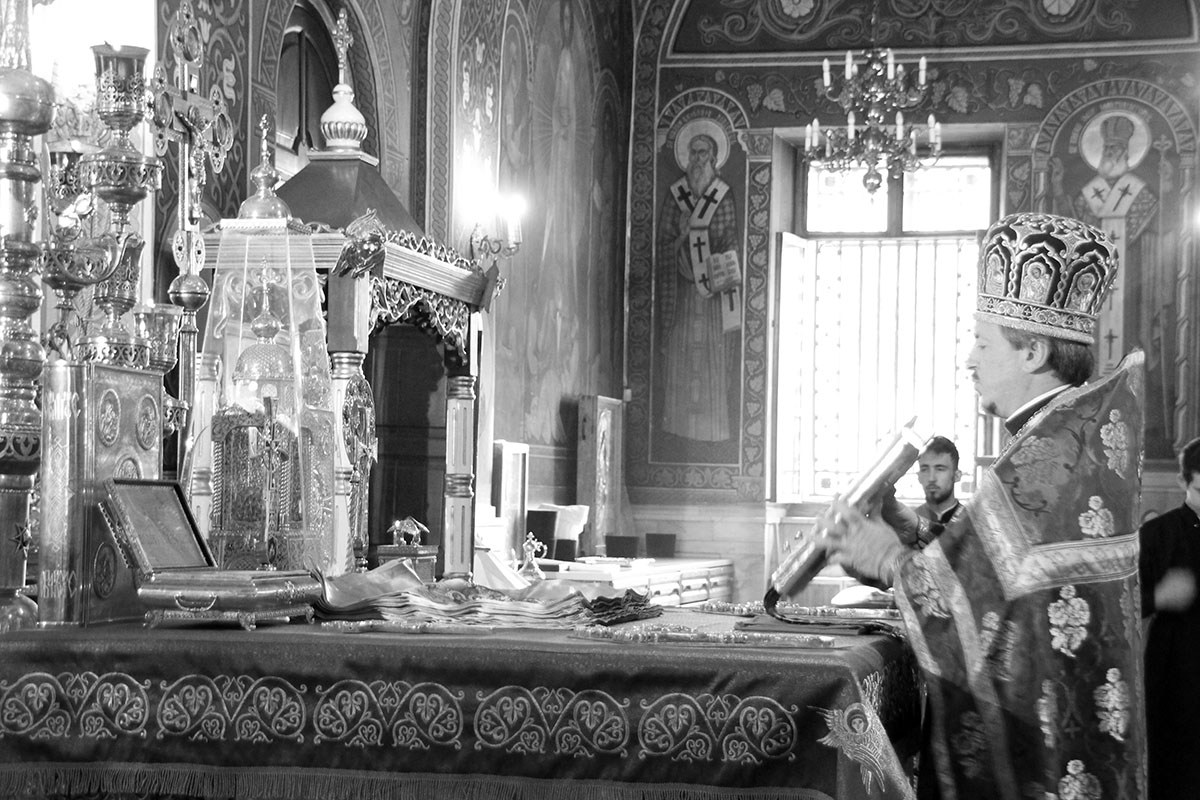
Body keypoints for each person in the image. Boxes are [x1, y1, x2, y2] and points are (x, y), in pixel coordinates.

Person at [824, 212, 1146, 799]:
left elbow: (983, 609)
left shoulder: (1052, 453)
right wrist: (916, 533)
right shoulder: (1072, 432)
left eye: (980, 340)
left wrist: (890, 560)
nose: (968, 360)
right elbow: (1009, 582)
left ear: (1033, 351)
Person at [655, 124, 740, 442]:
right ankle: (677, 429)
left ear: (714, 158)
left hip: (711, 301)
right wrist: (679, 238)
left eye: (703, 153)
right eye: (693, 153)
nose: (697, 160)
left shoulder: (723, 195)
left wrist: (709, 272)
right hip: (681, 299)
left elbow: (730, 248)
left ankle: (713, 431)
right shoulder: (676, 195)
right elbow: (662, 245)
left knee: (709, 364)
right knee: (680, 359)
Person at [1139, 435, 1200, 800]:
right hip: (1176, 668)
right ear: (1182, 482)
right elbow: (1127, 601)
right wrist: (1160, 597)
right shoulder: (1157, 535)